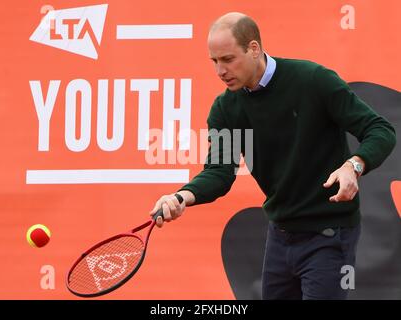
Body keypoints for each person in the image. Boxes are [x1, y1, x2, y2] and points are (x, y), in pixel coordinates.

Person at [149, 12, 396, 299]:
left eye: (228, 59)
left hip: (331, 236)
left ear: (254, 49)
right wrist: (181, 197)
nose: (220, 71)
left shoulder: (314, 81)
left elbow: (380, 130)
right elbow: (219, 172)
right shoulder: (226, 109)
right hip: (280, 237)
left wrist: (354, 166)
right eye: (214, 61)